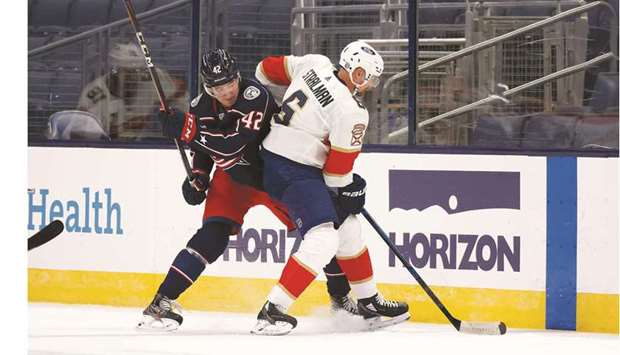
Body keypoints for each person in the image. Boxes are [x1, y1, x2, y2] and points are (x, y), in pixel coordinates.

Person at [138, 49, 360, 330]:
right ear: (208, 87)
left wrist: (189, 131)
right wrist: (199, 175)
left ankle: (340, 299)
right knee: (212, 236)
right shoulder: (200, 106)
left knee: (321, 228)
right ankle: (161, 302)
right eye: (218, 87)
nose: (227, 90)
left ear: (237, 77)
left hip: (273, 175)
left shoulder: (256, 96)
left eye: (230, 82)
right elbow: (205, 151)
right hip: (233, 178)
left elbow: (233, 145)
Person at [249, 41, 410, 335]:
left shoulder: (316, 62)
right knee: (323, 239)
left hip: (276, 160)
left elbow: (264, 70)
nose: (370, 84)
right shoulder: (351, 111)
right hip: (294, 170)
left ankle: (368, 301)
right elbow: (336, 174)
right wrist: (350, 190)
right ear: (355, 71)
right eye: (367, 76)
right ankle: (273, 309)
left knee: (348, 227)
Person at [77, 42, 187, 140]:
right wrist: (127, 125)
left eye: (137, 71)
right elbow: (82, 133)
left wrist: (170, 115)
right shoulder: (92, 94)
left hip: (149, 144)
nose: (134, 77)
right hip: (109, 151)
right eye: (128, 72)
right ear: (115, 70)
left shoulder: (150, 79)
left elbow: (180, 88)